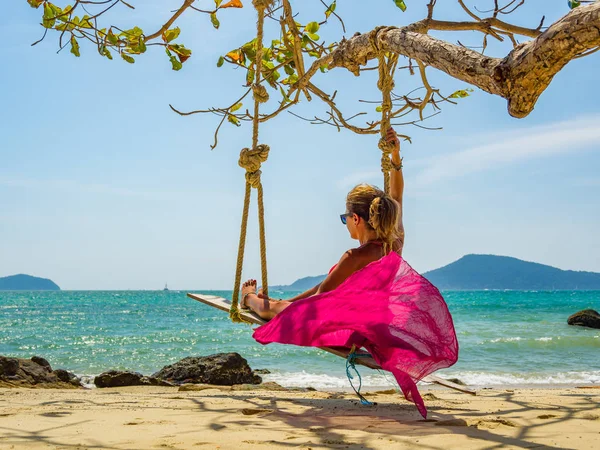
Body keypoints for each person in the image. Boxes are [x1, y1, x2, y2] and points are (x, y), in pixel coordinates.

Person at [241, 127, 405, 320]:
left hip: (342, 328)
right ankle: (276, 302)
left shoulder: (353, 257)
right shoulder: (393, 244)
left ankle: (248, 298)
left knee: (271, 310)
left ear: (356, 219)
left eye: (345, 218)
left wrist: (280, 306)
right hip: (373, 327)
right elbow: (397, 197)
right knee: (282, 305)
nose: (345, 224)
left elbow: (316, 303)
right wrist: (395, 156)